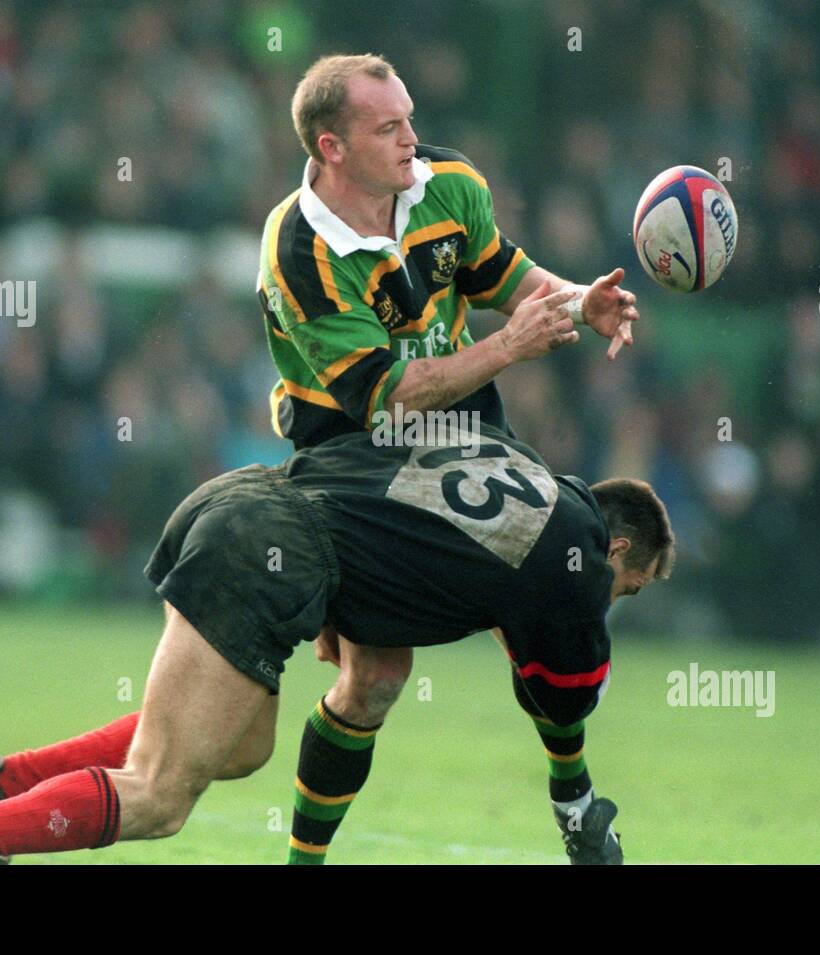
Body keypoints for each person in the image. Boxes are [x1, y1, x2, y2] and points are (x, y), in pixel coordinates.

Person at [0, 423, 675, 866]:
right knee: (160, 796)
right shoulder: (576, 558)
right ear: (616, 551)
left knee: (241, 741)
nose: (612, 604)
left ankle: (0, 781)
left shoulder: (517, 468)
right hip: (274, 552)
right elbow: (562, 705)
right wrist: (575, 808)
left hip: (246, 496)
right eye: (625, 589)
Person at [258, 52, 641, 862]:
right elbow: (385, 400)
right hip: (352, 460)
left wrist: (582, 301)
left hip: (464, 433)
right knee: (376, 680)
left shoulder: (447, 183)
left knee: (560, 565)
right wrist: (507, 347)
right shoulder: (300, 246)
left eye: (410, 116)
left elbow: (508, 276)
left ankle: (572, 795)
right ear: (332, 147)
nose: (412, 139)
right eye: (388, 126)